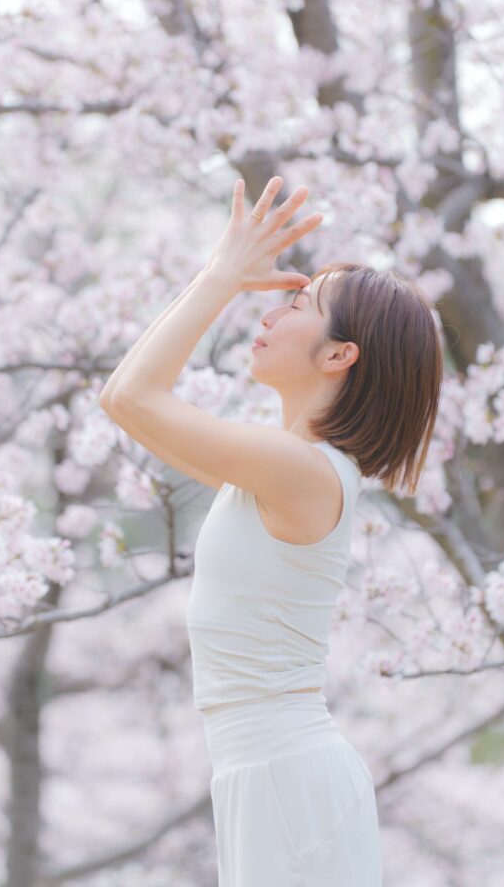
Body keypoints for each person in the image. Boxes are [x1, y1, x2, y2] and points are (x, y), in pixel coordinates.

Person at [100, 176, 444, 886]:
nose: (271, 311)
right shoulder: (284, 467)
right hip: (267, 773)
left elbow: (128, 396)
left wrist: (223, 275)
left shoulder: (303, 471)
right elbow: (127, 400)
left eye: (297, 303)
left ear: (337, 354)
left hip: (285, 776)